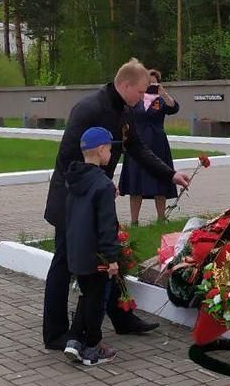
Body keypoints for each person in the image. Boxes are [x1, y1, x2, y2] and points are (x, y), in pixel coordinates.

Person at [42, 58, 191, 351]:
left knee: (111, 253)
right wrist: (97, 184)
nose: (143, 98)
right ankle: (55, 332)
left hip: (96, 196)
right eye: (140, 91)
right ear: (125, 85)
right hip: (72, 201)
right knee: (63, 264)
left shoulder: (124, 110)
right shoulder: (89, 109)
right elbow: (67, 159)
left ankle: (122, 318)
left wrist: (171, 174)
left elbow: (137, 148)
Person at [63, 127, 121, 366]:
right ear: (100, 150)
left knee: (87, 295)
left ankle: (74, 340)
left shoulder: (75, 179)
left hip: (76, 249)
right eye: (109, 148)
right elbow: (107, 225)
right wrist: (112, 257)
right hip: (96, 253)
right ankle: (93, 348)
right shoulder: (103, 184)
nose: (111, 152)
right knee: (96, 299)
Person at [118, 69, 180, 225]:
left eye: (154, 82)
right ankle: (134, 221)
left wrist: (163, 93)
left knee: (160, 180)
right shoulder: (135, 99)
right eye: (148, 82)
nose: (150, 85)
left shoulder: (160, 100)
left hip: (158, 144)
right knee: (135, 183)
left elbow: (174, 108)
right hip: (136, 144)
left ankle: (161, 219)